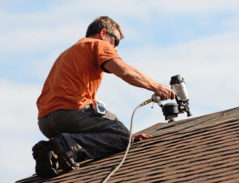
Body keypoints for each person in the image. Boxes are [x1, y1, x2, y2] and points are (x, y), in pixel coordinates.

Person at [32, 16, 175, 177]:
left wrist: (120, 135)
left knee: (117, 134)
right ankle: (66, 145)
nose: (116, 48)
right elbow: (125, 71)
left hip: (45, 122)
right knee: (122, 138)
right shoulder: (98, 44)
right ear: (103, 33)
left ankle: (54, 154)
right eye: (116, 41)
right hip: (71, 114)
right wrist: (157, 87)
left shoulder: (69, 53)